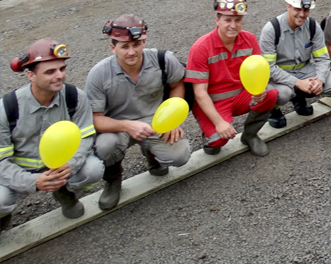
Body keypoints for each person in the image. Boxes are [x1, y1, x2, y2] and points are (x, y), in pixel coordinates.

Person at [87, 16, 190, 210]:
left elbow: (177, 85)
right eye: (124, 47)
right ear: (112, 48)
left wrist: (172, 120)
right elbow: (95, 119)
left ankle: (152, 154)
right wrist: (127, 125)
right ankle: (113, 180)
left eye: (136, 44)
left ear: (144, 41)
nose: (131, 52)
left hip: (156, 122)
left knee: (181, 155)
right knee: (104, 146)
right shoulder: (98, 74)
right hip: (118, 127)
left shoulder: (163, 60)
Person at [1, 40, 103, 229]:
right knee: (0, 199)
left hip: (60, 166)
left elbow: (85, 137)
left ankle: (64, 190)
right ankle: (3, 215)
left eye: (62, 69)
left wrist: (71, 165)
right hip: (21, 170)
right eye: (50, 72)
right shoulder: (7, 108)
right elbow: (1, 162)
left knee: (94, 169)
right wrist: (34, 182)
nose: (59, 76)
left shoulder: (75, 97)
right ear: (31, 75)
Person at [186, 0, 278, 157]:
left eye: (238, 20)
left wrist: (260, 90)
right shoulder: (201, 48)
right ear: (217, 20)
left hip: (239, 96)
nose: (233, 26)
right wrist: (219, 122)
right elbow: (199, 94)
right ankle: (209, 134)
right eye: (227, 20)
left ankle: (250, 135)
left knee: (271, 94)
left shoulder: (248, 39)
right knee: (216, 143)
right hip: (213, 101)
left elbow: (259, 71)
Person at [260, 0, 331, 129]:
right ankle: (273, 110)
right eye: (297, 9)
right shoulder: (271, 29)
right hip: (278, 74)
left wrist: (320, 80)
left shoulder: (312, 26)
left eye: (305, 10)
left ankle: (299, 98)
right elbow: (269, 68)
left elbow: (323, 58)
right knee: (283, 94)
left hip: (304, 69)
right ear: (288, 6)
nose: (302, 14)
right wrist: (298, 83)